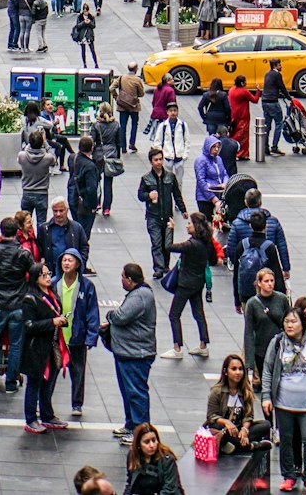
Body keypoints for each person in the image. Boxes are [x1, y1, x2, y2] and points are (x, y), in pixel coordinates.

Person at [261, 305, 306, 494]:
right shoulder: (277, 343)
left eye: (294, 321)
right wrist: (266, 396)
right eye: (286, 321)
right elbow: (268, 369)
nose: (289, 325)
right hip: (284, 402)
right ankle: (289, 476)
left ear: (303, 323)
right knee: (287, 440)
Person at [0, 214, 34, 392]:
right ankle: (11, 382)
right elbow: (33, 274)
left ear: (1, 231)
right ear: (17, 231)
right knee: (16, 344)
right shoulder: (23, 253)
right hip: (17, 303)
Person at [108, 262, 158, 446]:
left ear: (129, 279)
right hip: (127, 352)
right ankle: (131, 425)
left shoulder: (141, 296)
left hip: (137, 354)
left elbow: (121, 316)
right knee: (128, 392)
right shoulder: (136, 294)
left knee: (136, 392)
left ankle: (140, 430)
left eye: (122, 276)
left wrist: (110, 315)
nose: (121, 280)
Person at [19, 259, 69, 433]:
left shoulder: (52, 295)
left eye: (49, 274)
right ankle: (31, 418)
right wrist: (52, 322)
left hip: (53, 345)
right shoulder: (30, 299)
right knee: (34, 383)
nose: (48, 278)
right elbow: (29, 326)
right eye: (44, 275)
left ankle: (47, 415)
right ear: (35, 278)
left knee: (50, 382)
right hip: (36, 348)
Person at [161, 211, 217, 362]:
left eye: (189, 223)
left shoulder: (191, 244)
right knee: (199, 313)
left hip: (185, 283)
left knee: (174, 314)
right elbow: (212, 260)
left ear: (196, 226)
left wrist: (170, 229)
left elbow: (168, 246)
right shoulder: (207, 242)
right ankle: (203, 345)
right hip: (198, 283)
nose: (187, 226)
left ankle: (177, 347)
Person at [54, 247, 99, 420]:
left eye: (70, 260)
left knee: (78, 371)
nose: (66, 263)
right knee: (52, 371)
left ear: (78, 264)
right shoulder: (54, 283)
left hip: (77, 336)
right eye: (64, 260)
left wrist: (91, 336)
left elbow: (92, 312)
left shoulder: (87, 286)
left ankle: (77, 403)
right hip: (57, 338)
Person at [206, 351, 271, 456]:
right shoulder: (217, 391)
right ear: (226, 371)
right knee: (218, 428)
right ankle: (250, 446)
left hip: (239, 429)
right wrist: (227, 423)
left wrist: (245, 430)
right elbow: (211, 416)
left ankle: (233, 446)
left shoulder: (246, 391)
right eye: (234, 369)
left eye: (240, 369)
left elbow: (248, 416)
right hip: (224, 429)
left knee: (265, 425)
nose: (238, 372)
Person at [138, 147, 188, 279]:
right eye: (156, 160)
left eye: (160, 159)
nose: (159, 162)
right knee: (156, 242)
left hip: (167, 216)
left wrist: (183, 209)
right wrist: (148, 195)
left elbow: (176, 194)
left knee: (167, 243)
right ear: (151, 162)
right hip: (153, 216)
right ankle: (158, 268)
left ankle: (165, 264)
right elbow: (140, 195)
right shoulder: (146, 178)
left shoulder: (170, 177)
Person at [244, 266, 290, 384]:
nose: (270, 284)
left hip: (280, 348)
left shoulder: (282, 299)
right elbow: (249, 331)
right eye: (266, 281)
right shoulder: (252, 303)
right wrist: (249, 360)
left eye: (272, 281)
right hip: (261, 350)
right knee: (267, 382)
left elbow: (290, 321)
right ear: (259, 283)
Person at [123, 423, 183, 495]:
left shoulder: (167, 460)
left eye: (154, 440)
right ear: (138, 444)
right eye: (146, 442)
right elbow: (130, 482)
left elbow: (170, 489)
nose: (152, 445)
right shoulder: (133, 455)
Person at [37, 197, 89, 278]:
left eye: (61, 211)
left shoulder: (76, 228)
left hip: (71, 273)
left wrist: (79, 263)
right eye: (55, 211)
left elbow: (84, 247)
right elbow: (39, 249)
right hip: (51, 272)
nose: (58, 214)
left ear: (67, 210)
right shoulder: (44, 229)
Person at [68, 134, 101, 255]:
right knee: (83, 235)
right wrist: (93, 205)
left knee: (76, 230)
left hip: (73, 199)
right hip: (85, 205)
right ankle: (80, 260)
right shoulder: (90, 166)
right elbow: (91, 189)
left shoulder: (73, 158)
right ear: (91, 148)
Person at [92, 103, 122, 216]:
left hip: (98, 155)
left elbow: (92, 141)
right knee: (108, 183)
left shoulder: (96, 125)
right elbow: (119, 142)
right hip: (111, 155)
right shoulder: (116, 125)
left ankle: (97, 202)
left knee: (96, 180)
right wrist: (117, 157)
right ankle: (107, 207)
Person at [112, 65, 146, 155]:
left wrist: (116, 97)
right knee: (134, 124)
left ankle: (123, 146)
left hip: (122, 105)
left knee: (123, 126)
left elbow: (111, 88)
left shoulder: (121, 77)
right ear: (135, 69)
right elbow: (141, 93)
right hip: (134, 106)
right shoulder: (137, 80)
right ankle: (132, 143)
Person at [193, 136, 227, 224]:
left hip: (219, 194)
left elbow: (224, 173)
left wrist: (225, 182)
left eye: (218, 147)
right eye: (213, 147)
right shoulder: (201, 160)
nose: (216, 149)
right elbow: (201, 181)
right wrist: (213, 198)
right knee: (206, 223)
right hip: (205, 197)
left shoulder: (218, 159)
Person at [228, 75, 261, 161]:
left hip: (233, 115)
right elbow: (255, 100)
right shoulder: (244, 92)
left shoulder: (231, 90)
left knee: (233, 133)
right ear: (242, 83)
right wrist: (258, 90)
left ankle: (233, 152)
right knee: (243, 136)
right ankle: (242, 153)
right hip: (243, 116)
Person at [262, 60, 290, 157]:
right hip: (273, 102)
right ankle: (274, 147)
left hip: (265, 101)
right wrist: (289, 98)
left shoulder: (267, 74)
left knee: (267, 125)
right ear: (275, 66)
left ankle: (265, 147)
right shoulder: (277, 75)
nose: (281, 66)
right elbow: (282, 87)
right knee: (279, 124)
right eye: (279, 65)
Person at [159, 101, 189, 190]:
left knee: (179, 181)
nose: (173, 113)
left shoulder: (183, 125)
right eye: (171, 111)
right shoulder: (163, 126)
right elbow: (158, 142)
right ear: (167, 112)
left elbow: (187, 141)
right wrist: (162, 155)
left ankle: (178, 199)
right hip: (167, 157)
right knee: (167, 180)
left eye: (175, 110)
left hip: (179, 158)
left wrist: (185, 155)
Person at [72, 0, 98, 68]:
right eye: (84, 11)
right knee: (83, 51)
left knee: (92, 50)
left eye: (87, 11)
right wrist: (84, 22)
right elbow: (78, 26)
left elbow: (93, 26)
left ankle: (96, 63)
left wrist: (89, 22)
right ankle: (84, 64)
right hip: (82, 36)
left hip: (89, 36)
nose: (86, 13)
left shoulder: (91, 17)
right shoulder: (80, 17)